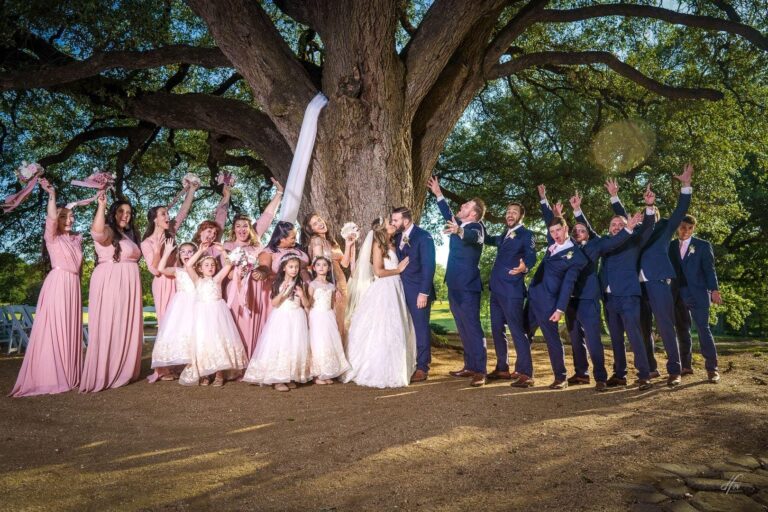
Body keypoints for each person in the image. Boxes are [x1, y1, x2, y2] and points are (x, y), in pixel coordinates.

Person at [538, 187, 639, 391]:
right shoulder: (567, 247)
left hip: (588, 298)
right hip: (569, 300)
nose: (578, 232)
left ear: (588, 234)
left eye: (582, 230)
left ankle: (600, 377)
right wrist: (546, 203)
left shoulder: (596, 245)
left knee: (593, 340)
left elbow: (615, 240)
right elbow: (553, 227)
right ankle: (581, 373)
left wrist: (628, 228)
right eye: (575, 231)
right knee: (575, 339)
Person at [608, 164, 694, 386]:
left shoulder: (665, 227)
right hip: (636, 287)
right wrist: (614, 196)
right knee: (642, 328)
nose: (649, 214)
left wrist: (686, 185)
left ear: (656, 213)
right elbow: (623, 217)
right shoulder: (635, 232)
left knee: (665, 325)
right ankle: (650, 369)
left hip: (658, 281)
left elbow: (680, 210)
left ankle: (674, 370)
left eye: (652, 211)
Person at [10, 179, 83, 397]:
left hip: (74, 285)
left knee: (70, 327)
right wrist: (52, 195)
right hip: (58, 283)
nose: (69, 220)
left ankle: (70, 373)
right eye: (64, 217)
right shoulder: (52, 237)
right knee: (56, 327)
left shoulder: (76, 239)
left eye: (71, 216)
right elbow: (51, 218)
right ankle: (51, 375)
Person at [593, 188, 657, 390]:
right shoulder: (604, 242)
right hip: (609, 299)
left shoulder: (634, 241)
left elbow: (647, 227)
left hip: (628, 296)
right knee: (615, 338)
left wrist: (649, 206)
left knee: (635, 336)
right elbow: (589, 232)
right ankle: (620, 375)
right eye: (613, 225)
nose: (616, 227)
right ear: (608, 228)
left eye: (621, 225)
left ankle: (644, 375)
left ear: (628, 226)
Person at [427, 176, 488, 386]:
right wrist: (438, 193)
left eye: (466, 205)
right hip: (453, 284)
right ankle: (470, 366)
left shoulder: (477, 227)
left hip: (468, 287)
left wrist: (460, 230)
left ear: (474, 214)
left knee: (472, 327)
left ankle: (481, 370)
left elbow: (474, 238)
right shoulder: (459, 224)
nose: (462, 206)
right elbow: (447, 214)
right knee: (462, 327)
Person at [80, 194, 143, 393]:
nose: (126, 215)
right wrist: (101, 205)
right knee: (110, 323)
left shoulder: (129, 235)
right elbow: (97, 233)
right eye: (121, 211)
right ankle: (105, 371)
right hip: (111, 281)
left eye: (129, 212)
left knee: (124, 323)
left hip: (129, 284)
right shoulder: (108, 230)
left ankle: (123, 366)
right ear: (113, 213)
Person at [343, 218, 415, 388]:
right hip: (385, 288)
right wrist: (398, 269)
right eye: (390, 223)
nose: (393, 225)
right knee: (384, 326)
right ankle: (378, 369)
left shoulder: (395, 243)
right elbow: (378, 271)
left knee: (397, 325)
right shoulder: (378, 245)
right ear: (382, 228)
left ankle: (398, 366)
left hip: (397, 286)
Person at [218, 179, 284, 359]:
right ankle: (238, 360)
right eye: (238, 226)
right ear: (233, 229)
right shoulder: (228, 246)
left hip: (258, 290)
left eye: (245, 226)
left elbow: (267, 217)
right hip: (236, 289)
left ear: (250, 229)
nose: (242, 229)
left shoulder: (256, 244)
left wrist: (279, 193)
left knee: (257, 323)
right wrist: (239, 272)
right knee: (237, 325)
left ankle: (255, 359)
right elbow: (228, 274)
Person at [526, 216, 588, 389]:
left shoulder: (576, 256)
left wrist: (560, 309)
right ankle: (525, 374)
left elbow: (568, 284)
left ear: (566, 228)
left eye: (558, 230)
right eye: (552, 231)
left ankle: (561, 377)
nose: (555, 234)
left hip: (549, 303)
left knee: (552, 339)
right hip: (533, 297)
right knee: (524, 334)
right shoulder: (552, 246)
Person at [180, 242, 248, 387]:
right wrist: (200, 251)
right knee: (203, 342)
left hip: (218, 315)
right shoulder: (197, 280)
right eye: (206, 265)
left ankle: (219, 374)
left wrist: (223, 251)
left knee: (218, 342)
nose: (210, 267)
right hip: (202, 316)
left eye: (212, 265)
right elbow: (188, 265)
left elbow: (229, 264)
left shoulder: (217, 279)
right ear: (200, 268)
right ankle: (204, 373)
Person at [484, 202, 537, 385]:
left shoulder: (526, 234)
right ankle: (502, 368)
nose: (510, 214)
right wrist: (478, 218)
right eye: (508, 211)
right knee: (497, 330)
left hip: (512, 291)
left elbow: (531, 255)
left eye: (514, 212)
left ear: (521, 216)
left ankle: (526, 373)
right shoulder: (503, 235)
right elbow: (488, 239)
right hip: (496, 290)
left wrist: (525, 267)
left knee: (517, 331)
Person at [243, 254, 311, 391]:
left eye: (296, 267)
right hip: (282, 317)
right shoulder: (277, 283)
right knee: (281, 345)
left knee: (294, 346)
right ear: (284, 268)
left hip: (297, 317)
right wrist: (283, 292)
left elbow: (307, 304)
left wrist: (302, 295)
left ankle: (290, 376)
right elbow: (274, 303)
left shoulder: (301, 284)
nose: (294, 270)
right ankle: (277, 379)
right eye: (291, 267)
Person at [670, 215, 722, 383]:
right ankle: (685, 366)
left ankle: (712, 369)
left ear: (694, 229)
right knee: (682, 330)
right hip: (677, 295)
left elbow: (709, 270)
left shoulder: (702, 246)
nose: (686, 231)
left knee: (703, 329)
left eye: (690, 228)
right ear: (677, 227)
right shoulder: (670, 246)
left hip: (698, 293)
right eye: (683, 227)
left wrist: (714, 290)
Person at [140, 181, 197, 326]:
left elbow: (183, 211)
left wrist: (192, 189)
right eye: (163, 214)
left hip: (180, 280)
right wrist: (157, 251)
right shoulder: (146, 243)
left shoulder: (170, 232)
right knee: (167, 323)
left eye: (168, 213)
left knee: (183, 321)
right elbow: (155, 271)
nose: (168, 216)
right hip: (162, 283)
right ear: (155, 219)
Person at [391, 207, 436, 383]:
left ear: (406, 220)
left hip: (418, 291)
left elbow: (429, 266)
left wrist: (423, 292)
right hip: (399, 290)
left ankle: (423, 367)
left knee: (421, 328)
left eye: (395, 220)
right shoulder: (397, 237)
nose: (393, 223)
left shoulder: (424, 237)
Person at [147, 240, 198, 382]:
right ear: (179, 256)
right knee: (182, 331)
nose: (186, 254)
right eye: (183, 252)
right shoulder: (177, 271)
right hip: (181, 304)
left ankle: (196, 363)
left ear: (195, 254)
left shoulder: (198, 270)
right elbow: (161, 268)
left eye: (190, 252)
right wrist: (167, 251)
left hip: (196, 302)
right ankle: (185, 363)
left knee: (195, 331)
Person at [302, 213, 356, 338]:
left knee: (341, 319)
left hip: (341, 281)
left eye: (319, 220)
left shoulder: (331, 241)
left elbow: (344, 263)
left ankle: (340, 347)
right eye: (315, 224)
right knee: (333, 321)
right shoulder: (316, 241)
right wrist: (333, 287)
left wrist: (348, 245)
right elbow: (319, 266)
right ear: (311, 230)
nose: (320, 223)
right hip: (330, 284)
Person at [308, 256, 351, 384]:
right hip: (317, 315)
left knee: (328, 342)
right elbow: (309, 303)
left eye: (324, 265)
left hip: (328, 316)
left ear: (328, 268)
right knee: (318, 342)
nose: (321, 267)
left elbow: (332, 304)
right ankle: (317, 374)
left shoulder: (332, 286)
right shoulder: (312, 284)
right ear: (314, 268)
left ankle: (327, 371)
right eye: (318, 265)